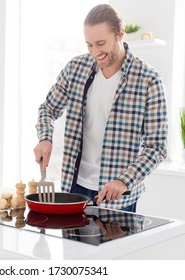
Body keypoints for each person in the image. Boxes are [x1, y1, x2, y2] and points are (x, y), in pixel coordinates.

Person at [33, 4, 168, 213]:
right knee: (71, 246)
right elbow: (47, 109)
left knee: (115, 247)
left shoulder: (148, 80)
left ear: (120, 34)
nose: (95, 52)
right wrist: (45, 138)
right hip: (73, 188)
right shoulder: (75, 69)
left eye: (101, 43)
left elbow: (157, 147)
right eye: (89, 45)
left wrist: (124, 181)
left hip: (118, 195)